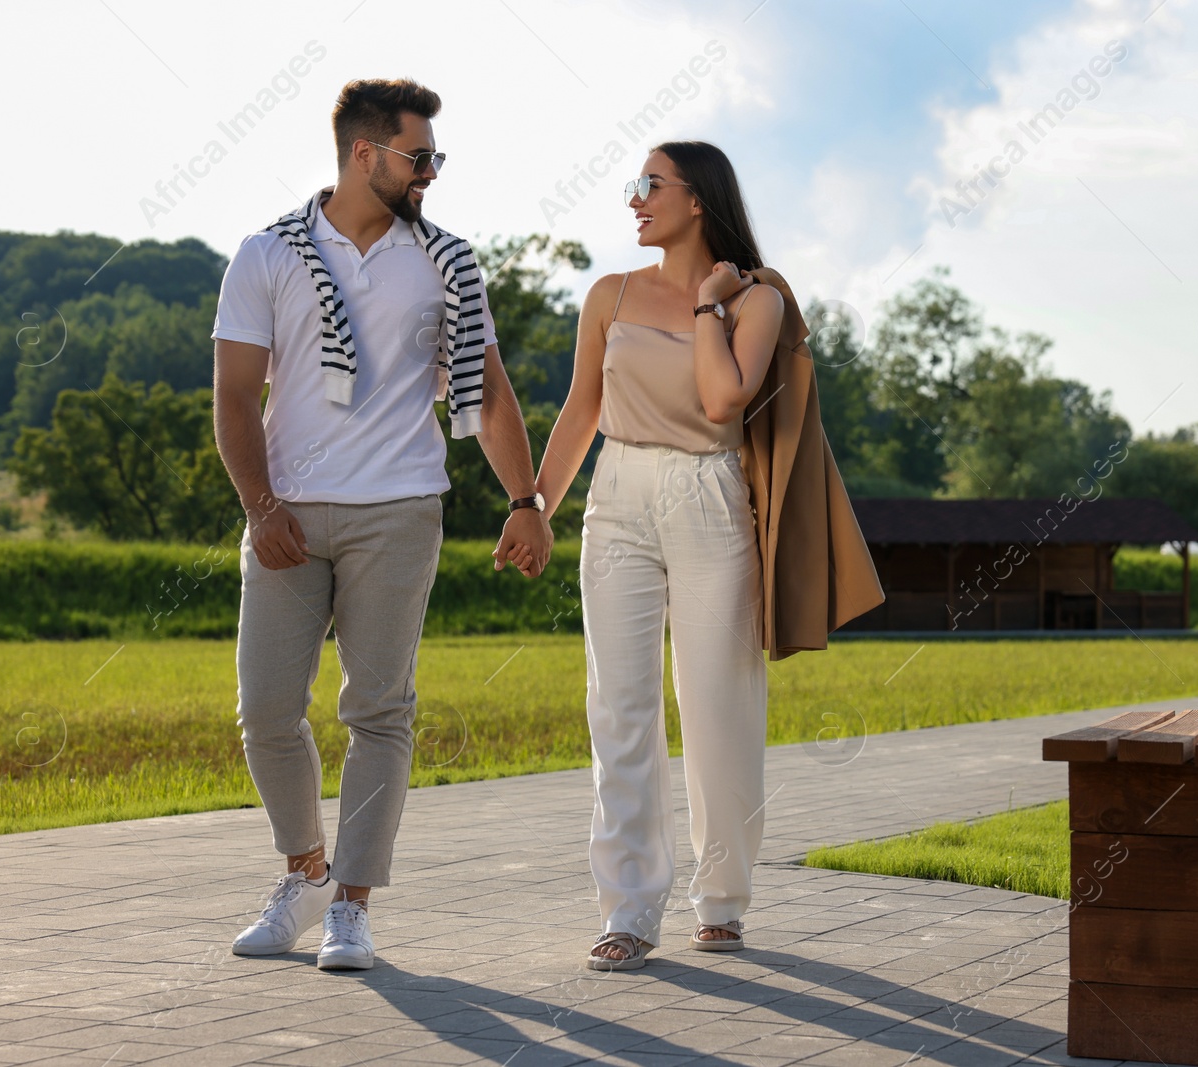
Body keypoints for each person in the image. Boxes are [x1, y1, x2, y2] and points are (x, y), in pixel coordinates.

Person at [210, 78, 550, 971]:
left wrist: (527, 501)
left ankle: (351, 905)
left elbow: (487, 386)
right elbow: (235, 396)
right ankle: (303, 871)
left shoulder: (447, 261)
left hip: (399, 509)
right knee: (268, 709)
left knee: (379, 709)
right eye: (418, 156)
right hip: (287, 513)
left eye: (435, 157)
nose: (431, 172)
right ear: (366, 154)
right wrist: (261, 505)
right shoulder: (267, 252)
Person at [534, 140, 785, 969]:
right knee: (620, 705)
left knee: (719, 703)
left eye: (650, 185)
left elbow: (723, 398)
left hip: (711, 495)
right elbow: (580, 410)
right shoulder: (609, 295)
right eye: (633, 185)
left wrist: (711, 306)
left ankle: (721, 900)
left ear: (698, 199)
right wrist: (533, 506)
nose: (634, 199)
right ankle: (631, 908)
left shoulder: (756, 300)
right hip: (617, 496)